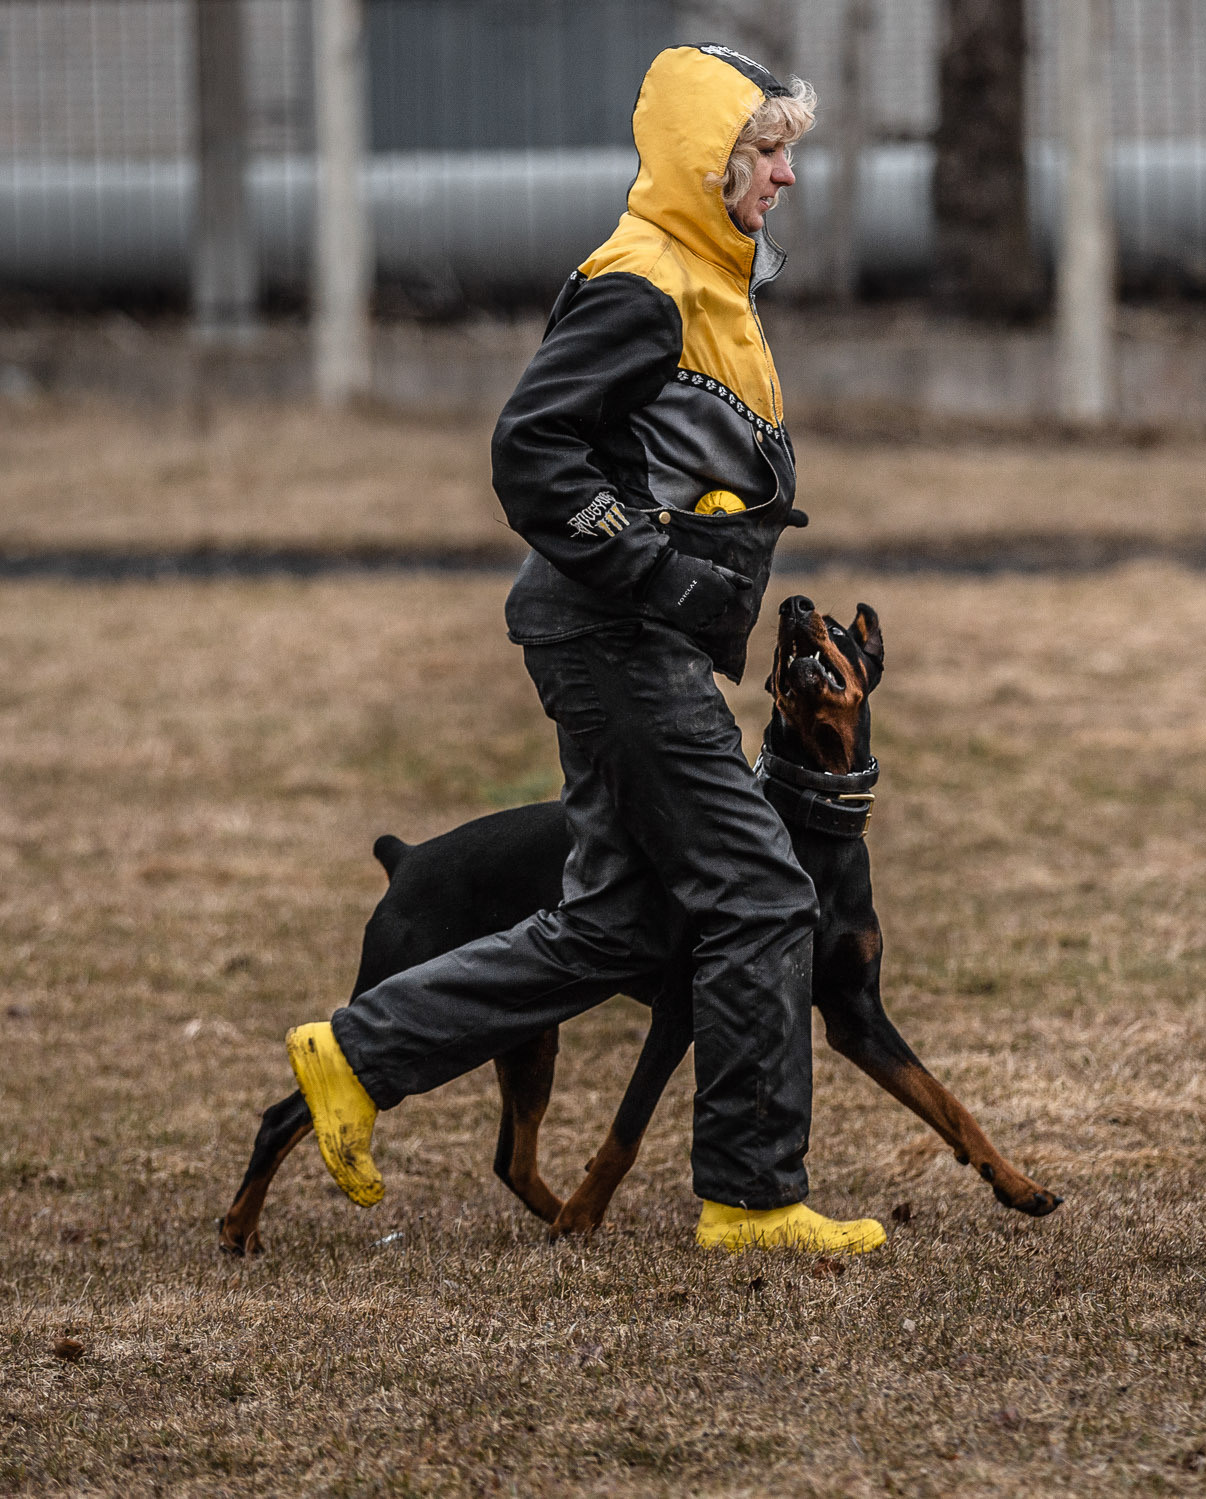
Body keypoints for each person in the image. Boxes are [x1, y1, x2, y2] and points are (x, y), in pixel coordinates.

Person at [283, 45, 884, 1255]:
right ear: (704, 159)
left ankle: (351, 1055)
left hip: (620, 632)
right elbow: (532, 450)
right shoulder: (645, 282)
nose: (784, 175)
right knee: (764, 890)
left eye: (788, 153)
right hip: (617, 634)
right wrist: (658, 570)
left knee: (609, 923)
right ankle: (754, 1199)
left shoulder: (709, 280)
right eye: (766, 152)